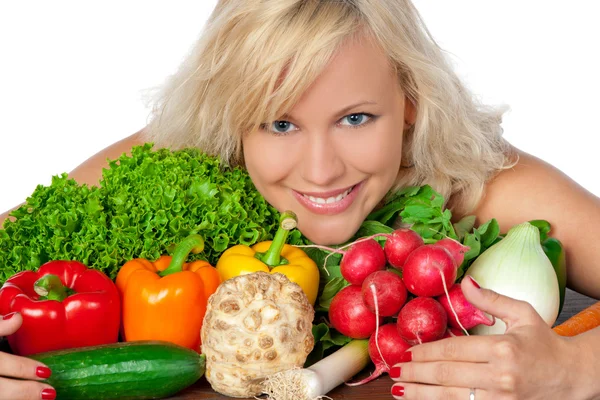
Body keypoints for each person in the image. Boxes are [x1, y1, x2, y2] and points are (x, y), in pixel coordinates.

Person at [1, 1, 599, 399]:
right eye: (279, 125)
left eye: (356, 117)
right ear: (231, 114)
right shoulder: (181, 158)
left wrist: (575, 372)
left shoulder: (483, 182)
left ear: (412, 99)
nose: (321, 171)